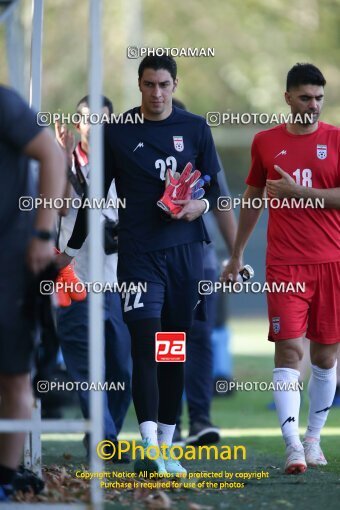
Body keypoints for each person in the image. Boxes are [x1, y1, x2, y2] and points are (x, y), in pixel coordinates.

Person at [57, 55, 221, 476]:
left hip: (186, 256)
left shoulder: (195, 127)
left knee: (172, 352)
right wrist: (69, 252)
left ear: (174, 84)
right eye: (149, 85)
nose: (157, 93)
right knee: (146, 346)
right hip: (139, 257)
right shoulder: (118, 133)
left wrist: (195, 205)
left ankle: (167, 447)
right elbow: (95, 198)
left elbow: (216, 194)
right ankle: (149, 444)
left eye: (164, 85)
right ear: (139, 84)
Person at [222, 63, 340, 474]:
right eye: (305, 97)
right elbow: (252, 198)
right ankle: (292, 445)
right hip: (286, 264)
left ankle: (314, 439)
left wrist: (296, 191)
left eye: (319, 98)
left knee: (325, 358)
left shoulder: (337, 140)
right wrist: (236, 254)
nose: (313, 105)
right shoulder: (266, 142)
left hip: (332, 262)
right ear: (287, 97)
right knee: (290, 349)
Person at [55, 95, 132, 462]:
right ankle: (106, 440)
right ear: (77, 124)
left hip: (117, 283)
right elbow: (54, 206)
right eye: (88, 120)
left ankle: (104, 433)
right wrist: (61, 160)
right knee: (88, 370)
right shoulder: (59, 163)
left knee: (122, 371)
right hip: (75, 282)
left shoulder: (127, 163)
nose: (96, 128)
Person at [0, 85, 65, 501]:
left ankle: (3, 481)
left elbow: (53, 155)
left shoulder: (4, 102)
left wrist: (43, 234)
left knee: (13, 376)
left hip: (11, 262)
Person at [172, 97, 237, 447]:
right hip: (160, 263)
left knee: (198, 338)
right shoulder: (142, 155)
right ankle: (171, 424)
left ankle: (200, 420)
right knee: (168, 342)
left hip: (202, 263)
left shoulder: (203, 148)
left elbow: (223, 199)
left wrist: (236, 254)